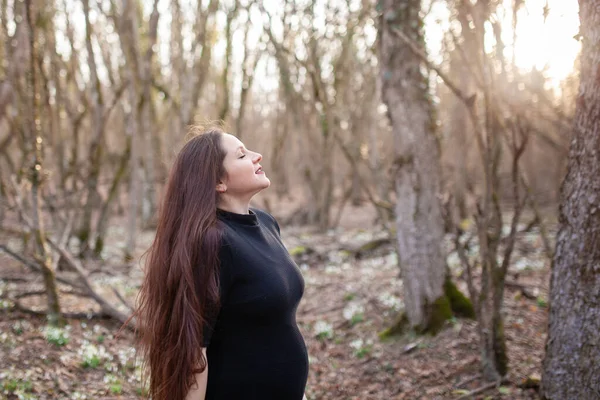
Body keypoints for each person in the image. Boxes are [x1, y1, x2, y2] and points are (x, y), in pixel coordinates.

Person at [133, 127, 309, 400]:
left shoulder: (265, 222)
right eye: (242, 156)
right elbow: (193, 352)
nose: (257, 156)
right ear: (218, 182)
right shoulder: (211, 243)